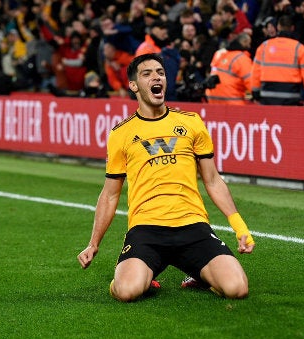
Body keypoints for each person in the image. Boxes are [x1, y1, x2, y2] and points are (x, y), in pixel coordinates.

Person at [77, 53, 254, 302]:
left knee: (238, 289)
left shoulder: (191, 123)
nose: (156, 77)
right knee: (126, 291)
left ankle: (199, 275)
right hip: (147, 229)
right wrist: (93, 243)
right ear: (134, 86)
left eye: (160, 72)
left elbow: (212, 180)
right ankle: (146, 278)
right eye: (147, 74)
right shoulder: (121, 133)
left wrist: (239, 226)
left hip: (192, 226)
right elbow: (110, 193)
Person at [251, 15, 304, 105]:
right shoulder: (299, 48)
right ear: (292, 28)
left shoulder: (264, 46)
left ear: (278, 27)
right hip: (291, 97)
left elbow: (255, 71)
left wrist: (255, 93)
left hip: (267, 96)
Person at [205, 32, 252, 104]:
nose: (249, 46)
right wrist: (255, 96)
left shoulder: (219, 54)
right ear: (244, 42)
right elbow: (250, 83)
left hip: (213, 98)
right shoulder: (242, 59)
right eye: (249, 43)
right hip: (232, 101)